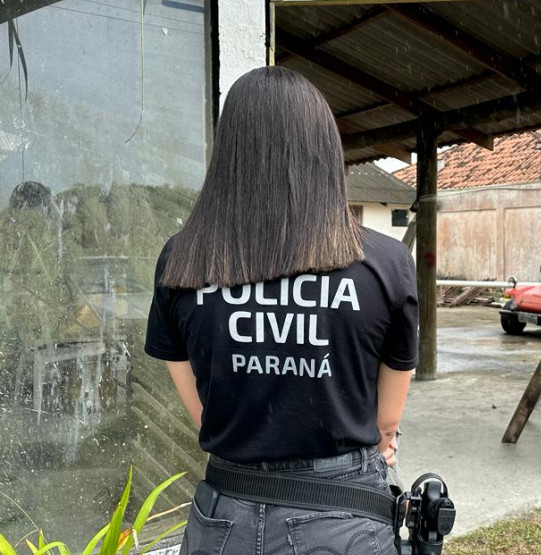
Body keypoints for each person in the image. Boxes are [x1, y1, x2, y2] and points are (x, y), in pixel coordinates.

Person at [144, 66, 417, 555]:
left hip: (225, 511)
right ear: (323, 150)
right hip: (344, 515)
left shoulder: (182, 259)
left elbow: (202, 410)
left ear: (230, 153)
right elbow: (386, 422)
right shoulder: (385, 262)